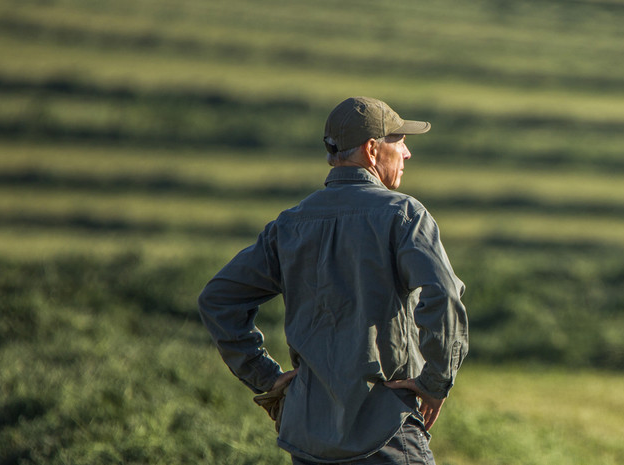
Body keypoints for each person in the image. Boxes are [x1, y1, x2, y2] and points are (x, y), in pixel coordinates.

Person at [198, 96, 469, 464]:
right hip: (385, 428)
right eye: (400, 141)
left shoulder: (290, 223)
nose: (407, 154)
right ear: (373, 150)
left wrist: (266, 378)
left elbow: (218, 299)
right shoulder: (404, 215)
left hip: (309, 439)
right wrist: (435, 382)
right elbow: (443, 295)